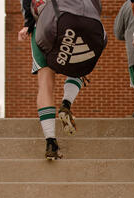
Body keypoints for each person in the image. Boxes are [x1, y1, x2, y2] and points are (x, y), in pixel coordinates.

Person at [19, 0, 85, 160]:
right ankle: (66, 104)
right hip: (69, 22)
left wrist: (28, 23)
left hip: (41, 26)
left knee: (45, 84)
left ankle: (51, 142)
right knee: (80, 66)